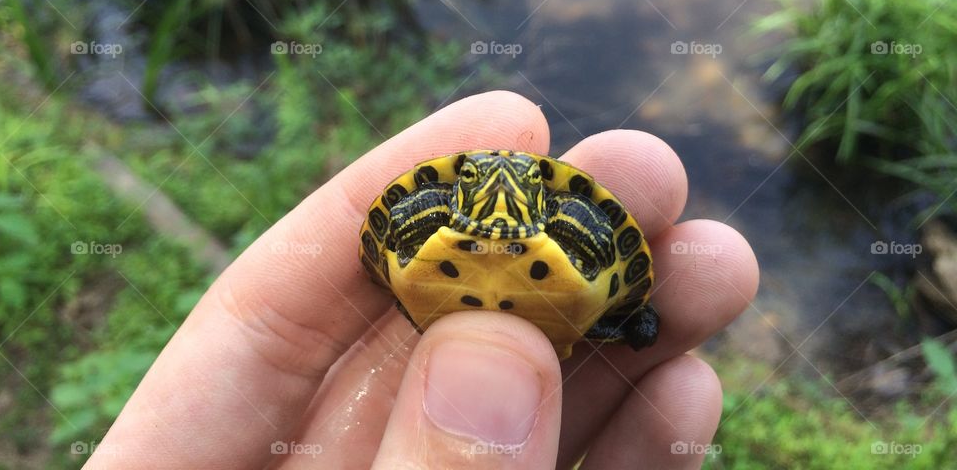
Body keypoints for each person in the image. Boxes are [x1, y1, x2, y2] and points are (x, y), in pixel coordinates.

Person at [85, 91, 758, 469]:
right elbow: (381, 240)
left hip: (560, 303)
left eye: (521, 183)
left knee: (637, 321)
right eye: (477, 180)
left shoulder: (566, 220)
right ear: (459, 191)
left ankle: (615, 322)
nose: (502, 182)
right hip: (484, 301)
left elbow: (609, 239)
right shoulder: (434, 214)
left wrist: (626, 301)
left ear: (542, 201)